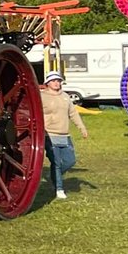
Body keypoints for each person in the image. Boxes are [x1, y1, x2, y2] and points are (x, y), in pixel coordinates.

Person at [40, 70, 88, 200]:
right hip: (49, 135)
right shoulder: (41, 96)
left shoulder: (65, 96)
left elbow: (73, 113)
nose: (56, 83)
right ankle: (59, 189)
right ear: (47, 83)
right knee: (56, 162)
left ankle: (54, 176)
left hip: (64, 134)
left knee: (70, 161)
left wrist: (82, 128)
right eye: (53, 81)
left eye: (58, 81)